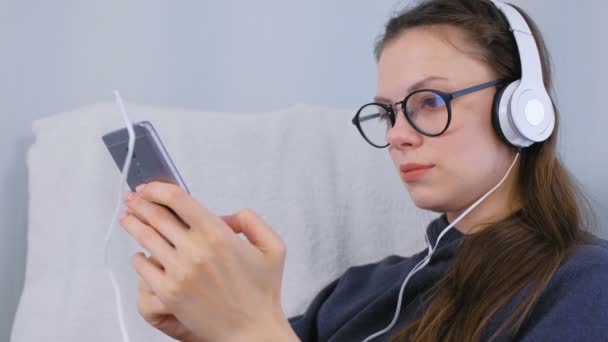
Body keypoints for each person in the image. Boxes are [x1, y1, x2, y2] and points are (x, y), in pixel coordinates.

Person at [119, 0, 608, 341]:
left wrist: (246, 330)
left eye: (429, 102)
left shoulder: (586, 285)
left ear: (523, 113)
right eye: (388, 112)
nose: (397, 134)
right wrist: (207, 328)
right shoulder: (358, 292)